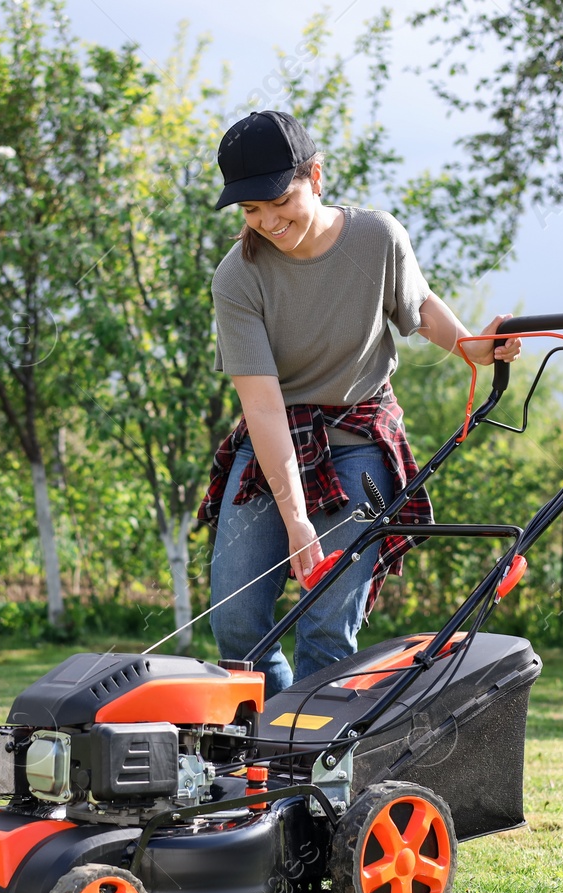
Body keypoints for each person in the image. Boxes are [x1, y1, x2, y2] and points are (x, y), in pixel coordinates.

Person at [199, 110, 521, 699]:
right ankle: (272, 749)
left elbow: (420, 308)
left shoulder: (377, 238)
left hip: (357, 437)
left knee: (326, 622)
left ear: (315, 177)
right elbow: (265, 409)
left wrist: (476, 348)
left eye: (279, 200)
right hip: (274, 443)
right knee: (236, 620)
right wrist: (297, 520)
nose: (268, 221)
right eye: (251, 210)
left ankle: (323, 774)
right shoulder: (237, 278)